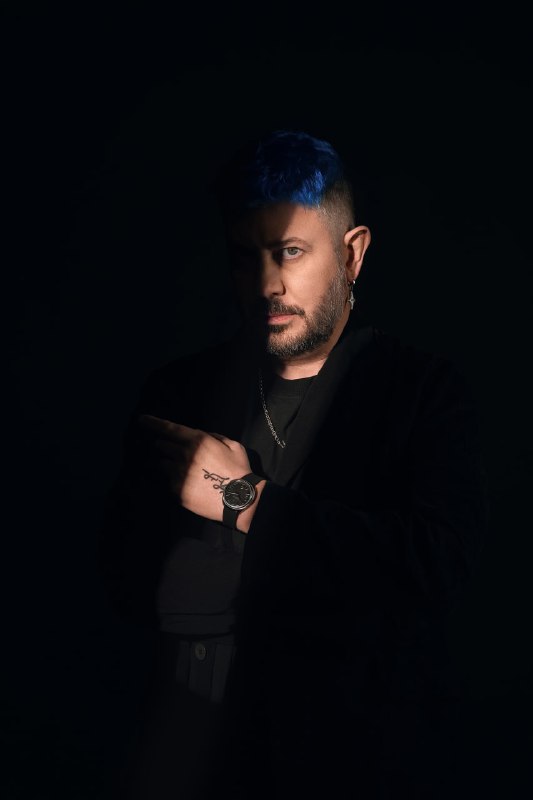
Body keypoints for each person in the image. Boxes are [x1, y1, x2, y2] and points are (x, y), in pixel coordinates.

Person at [98, 129, 489, 800]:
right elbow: (125, 581)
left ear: (352, 253)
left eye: (289, 253)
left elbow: (433, 574)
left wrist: (244, 500)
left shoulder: (423, 394)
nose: (266, 284)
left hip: (356, 771)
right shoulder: (179, 393)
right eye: (244, 257)